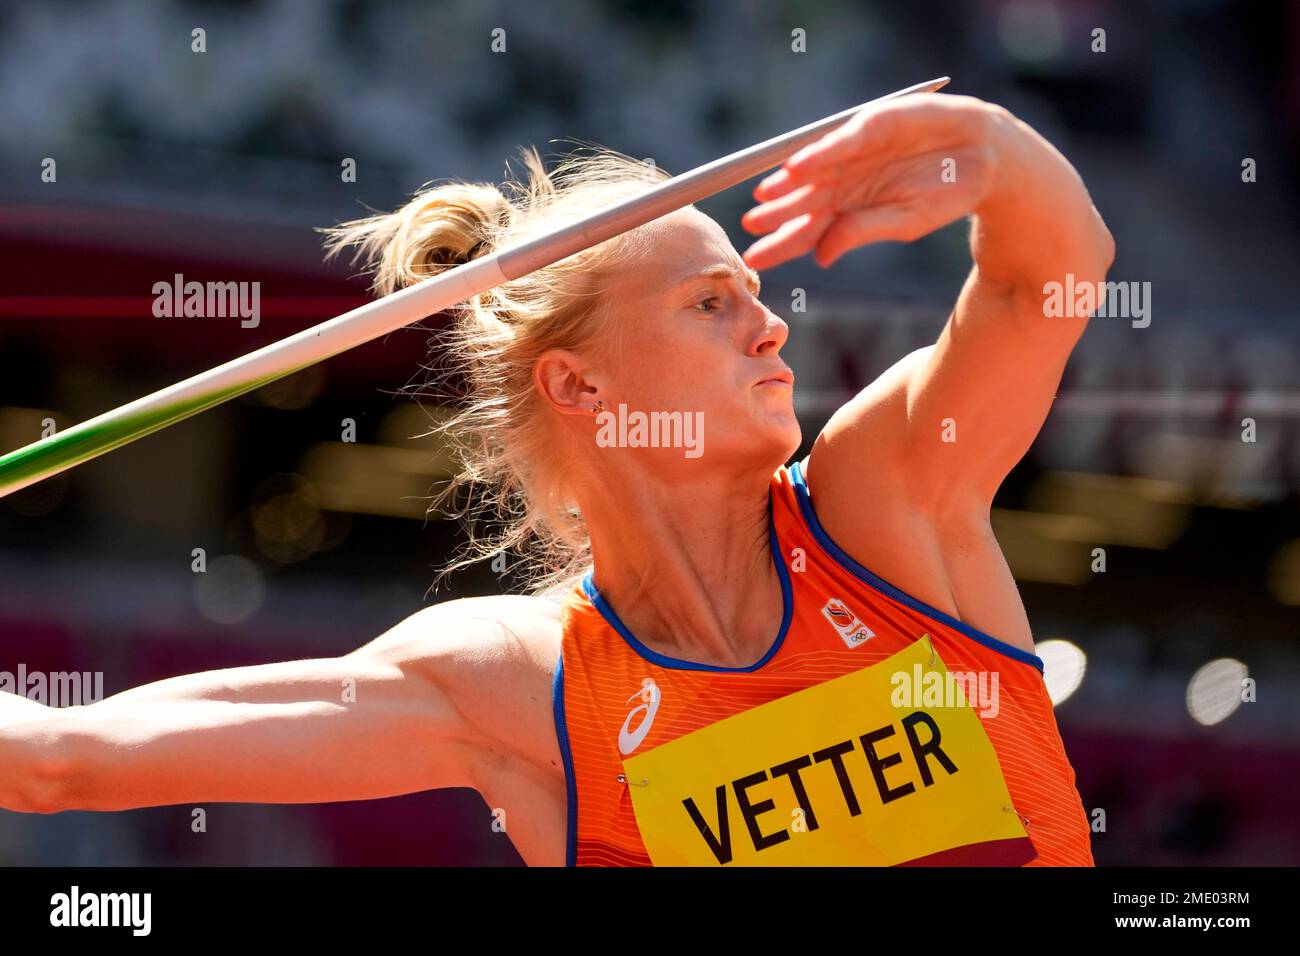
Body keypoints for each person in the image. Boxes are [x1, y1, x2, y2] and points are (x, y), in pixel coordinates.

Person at [0, 92, 1113, 866]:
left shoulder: (884, 507)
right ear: (580, 387)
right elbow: (52, 759)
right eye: (709, 303)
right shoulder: (512, 686)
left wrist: (994, 152)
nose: (771, 328)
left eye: (752, 292)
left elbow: (1049, 284)